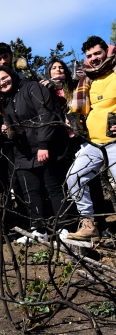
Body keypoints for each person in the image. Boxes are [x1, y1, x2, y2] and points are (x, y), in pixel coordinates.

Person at [0, 64, 71, 238]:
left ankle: (63, 226)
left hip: (46, 146)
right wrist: (8, 129)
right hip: (23, 152)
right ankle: (37, 228)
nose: (2, 83)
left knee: (53, 187)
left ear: (12, 74)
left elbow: (46, 113)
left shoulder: (32, 86)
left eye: (4, 78)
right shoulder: (6, 100)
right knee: (30, 190)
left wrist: (43, 144)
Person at [66, 36, 116, 240]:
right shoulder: (87, 79)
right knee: (74, 178)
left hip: (114, 141)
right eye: (89, 56)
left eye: (97, 53)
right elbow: (79, 109)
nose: (94, 58)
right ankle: (88, 224)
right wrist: (73, 120)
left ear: (107, 51)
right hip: (93, 142)